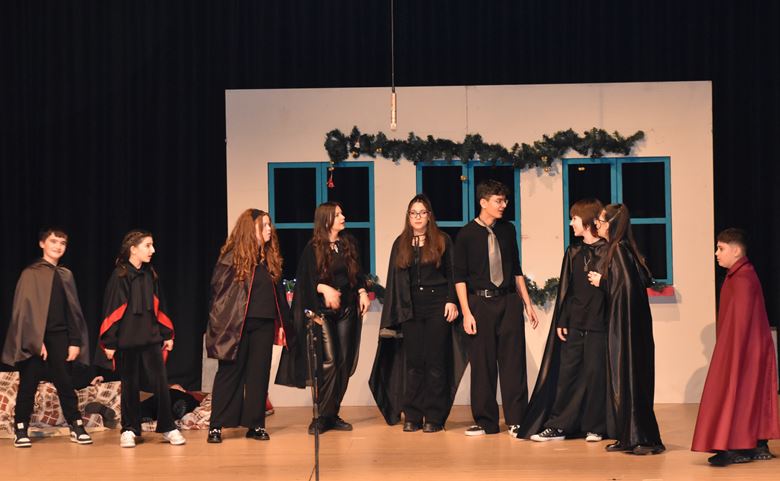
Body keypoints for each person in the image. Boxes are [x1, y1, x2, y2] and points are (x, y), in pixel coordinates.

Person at [369, 194, 467, 433]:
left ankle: (434, 416)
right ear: (408, 217)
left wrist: (452, 301)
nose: (417, 217)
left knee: (435, 362)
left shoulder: (442, 240)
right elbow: (395, 280)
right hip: (410, 308)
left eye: (422, 212)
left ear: (429, 216)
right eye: (413, 213)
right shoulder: (401, 243)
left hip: (437, 305)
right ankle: (412, 414)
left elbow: (453, 273)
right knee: (413, 363)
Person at [276, 202, 371, 434]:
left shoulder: (348, 244)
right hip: (323, 313)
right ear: (326, 219)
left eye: (341, 213)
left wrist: (361, 292)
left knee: (344, 362)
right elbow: (305, 280)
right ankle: (321, 416)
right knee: (329, 362)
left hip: (347, 310)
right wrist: (323, 288)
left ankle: (332, 414)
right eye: (337, 214)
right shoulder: (313, 248)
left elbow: (357, 274)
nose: (343, 217)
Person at [454, 179, 538, 437]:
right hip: (480, 303)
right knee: (483, 364)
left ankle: (517, 419)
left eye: (505, 200)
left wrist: (528, 303)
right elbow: (459, 277)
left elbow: (516, 269)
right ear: (483, 202)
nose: (503, 205)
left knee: (513, 363)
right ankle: (485, 421)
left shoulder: (508, 229)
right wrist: (466, 313)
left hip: (508, 301)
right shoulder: (466, 234)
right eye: (498, 201)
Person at [691, 228, 779, 466]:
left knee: (739, 394)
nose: (716, 253)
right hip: (747, 349)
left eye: (721, 248)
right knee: (745, 394)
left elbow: (742, 325)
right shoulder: (738, 276)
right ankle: (753, 443)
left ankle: (738, 445)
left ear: (737, 251)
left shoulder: (742, 279)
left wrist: (732, 357)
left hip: (746, 350)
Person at [205, 209, 293, 443]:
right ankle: (216, 425)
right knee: (229, 374)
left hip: (264, 324)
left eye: (269, 225)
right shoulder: (231, 259)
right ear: (250, 229)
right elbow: (219, 297)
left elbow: (278, 296)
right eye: (264, 225)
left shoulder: (269, 259)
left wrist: (282, 323)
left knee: (258, 375)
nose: (269, 229)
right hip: (236, 326)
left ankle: (256, 424)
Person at [523, 199, 608, 442]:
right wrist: (562, 320)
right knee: (567, 375)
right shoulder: (573, 252)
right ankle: (559, 425)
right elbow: (567, 291)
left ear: (588, 221)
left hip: (599, 324)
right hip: (574, 324)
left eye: (575, 219)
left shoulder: (609, 251)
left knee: (595, 375)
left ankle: (596, 426)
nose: (571, 223)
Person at [2, 228, 92, 447]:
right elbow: (23, 312)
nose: (58, 246)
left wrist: (75, 341)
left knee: (65, 382)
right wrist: (35, 339)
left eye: (62, 243)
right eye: (53, 241)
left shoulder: (65, 275)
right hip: (35, 339)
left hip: (60, 336)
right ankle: (21, 428)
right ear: (42, 243)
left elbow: (73, 312)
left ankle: (76, 425)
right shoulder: (30, 273)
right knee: (28, 383)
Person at [587, 204, 665, 454]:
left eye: (600, 221)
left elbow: (626, 289)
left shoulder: (619, 249)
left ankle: (640, 438)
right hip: (627, 325)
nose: (597, 225)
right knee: (624, 379)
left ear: (610, 224)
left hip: (627, 328)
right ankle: (629, 436)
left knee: (629, 378)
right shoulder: (621, 248)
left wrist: (603, 282)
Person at [97, 230, 186, 448]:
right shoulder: (119, 276)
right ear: (133, 249)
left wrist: (167, 334)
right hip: (128, 341)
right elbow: (112, 311)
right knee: (130, 386)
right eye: (148, 245)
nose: (152, 250)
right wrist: (110, 342)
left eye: (152, 245)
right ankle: (129, 429)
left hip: (151, 339)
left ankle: (168, 427)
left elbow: (160, 306)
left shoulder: (150, 275)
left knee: (161, 384)